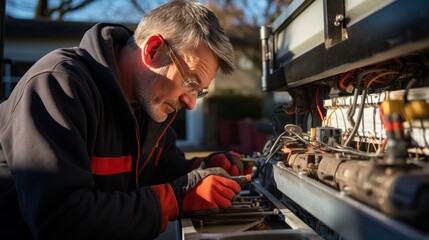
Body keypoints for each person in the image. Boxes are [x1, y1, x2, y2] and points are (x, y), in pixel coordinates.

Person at [0, 1, 251, 239]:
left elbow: (162, 172)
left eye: (200, 91)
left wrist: (204, 168)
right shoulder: (58, 84)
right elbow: (60, 219)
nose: (190, 102)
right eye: (190, 82)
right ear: (153, 50)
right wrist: (175, 199)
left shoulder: (151, 104)